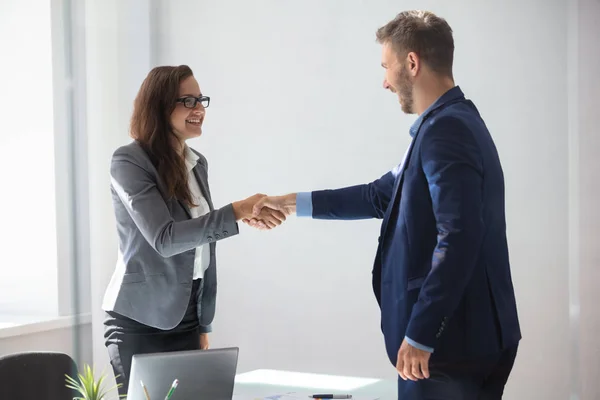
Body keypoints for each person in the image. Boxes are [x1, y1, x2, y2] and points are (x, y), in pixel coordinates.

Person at [247, 10, 521, 400]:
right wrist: (286, 203)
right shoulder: (449, 123)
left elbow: (458, 236)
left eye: (386, 67)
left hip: (449, 347)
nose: (385, 82)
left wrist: (422, 332)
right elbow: (379, 194)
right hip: (467, 339)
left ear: (412, 63)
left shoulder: (446, 130)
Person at [102, 65, 285, 397]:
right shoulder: (129, 162)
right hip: (140, 321)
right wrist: (236, 211)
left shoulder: (195, 162)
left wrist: (203, 322)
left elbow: (201, 249)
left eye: (201, 100)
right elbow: (166, 238)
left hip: (186, 316)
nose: (199, 109)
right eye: (188, 100)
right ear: (159, 106)